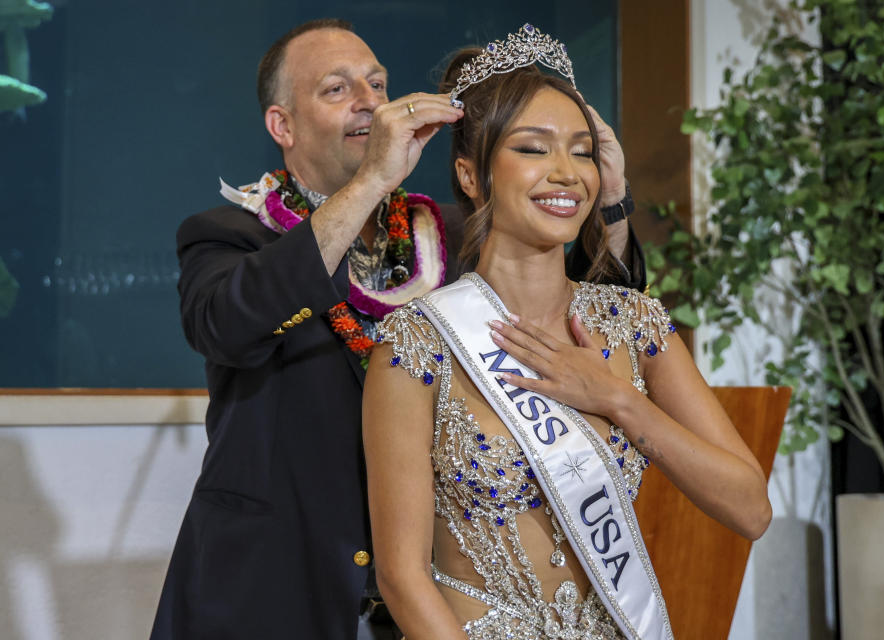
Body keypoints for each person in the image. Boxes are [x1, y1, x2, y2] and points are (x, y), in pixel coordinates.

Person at [151, 18, 645, 640]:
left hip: (427, 592)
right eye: (336, 90)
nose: (368, 101)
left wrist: (614, 196)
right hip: (276, 585)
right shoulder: (229, 233)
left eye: (377, 84)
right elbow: (225, 325)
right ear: (283, 126)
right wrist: (370, 181)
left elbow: (607, 325)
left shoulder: (449, 236)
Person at [363, 25, 772, 640]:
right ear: (472, 175)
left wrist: (616, 399)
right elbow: (401, 576)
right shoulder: (418, 344)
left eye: (581, 151)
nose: (565, 173)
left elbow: (750, 508)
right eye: (533, 149)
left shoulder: (634, 325)